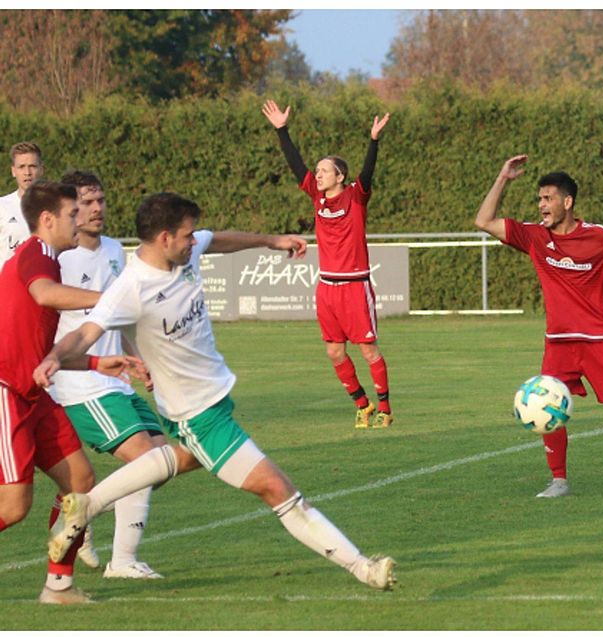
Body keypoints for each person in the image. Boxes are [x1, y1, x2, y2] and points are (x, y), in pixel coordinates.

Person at [36, 192, 397, 592]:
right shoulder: (132, 287)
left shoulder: (185, 253)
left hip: (213, 402)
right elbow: (87, 332)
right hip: (197, 416)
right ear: (164, 238)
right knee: (278, 489)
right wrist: (54, 357)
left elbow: (217, 239)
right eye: (188, 236)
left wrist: (271, 240)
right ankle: (364, 567)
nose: (195, 242)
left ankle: (88, 505)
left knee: (181, 459)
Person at [474, 154, 603, 498]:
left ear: (568, 201)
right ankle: (559, 480)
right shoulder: (534, 237)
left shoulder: (598, 238)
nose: (541, 205)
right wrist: (503, 177)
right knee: (548, 408)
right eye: (539, 199)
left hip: (599, 339)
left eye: (548, 199)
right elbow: (484, 220)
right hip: (559, 342)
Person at [0, 181, 141, 604]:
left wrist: (100, 362)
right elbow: (46, 296)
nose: (79, 220)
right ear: (47, 220)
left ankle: (59, 585)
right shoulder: (37, 253)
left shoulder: (49, 260)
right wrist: (113, 299)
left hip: (32, 392)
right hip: (6, 390)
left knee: (79, 480)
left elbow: (42, 352)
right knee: (13, 508)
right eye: (71, 213)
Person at [49, 170, 169, 579]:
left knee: (162, 462)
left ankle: (84, 510)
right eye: (87, 201)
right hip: (81, 383)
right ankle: (122, 560)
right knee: (147, 460)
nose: (97, 208)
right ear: (70, 208)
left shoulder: (117, 250)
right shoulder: (58, 259)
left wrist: (139, 356)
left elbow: (119, 318)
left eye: (100, 199)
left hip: (115, 378)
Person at [261, 100, 394, 430]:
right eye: (317, 171)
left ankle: (386, 408)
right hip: (327, 287)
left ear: (340, 176)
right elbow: (296, 164)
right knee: (334, 352)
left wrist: (374, 141)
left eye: (323, 171)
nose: (317, 175)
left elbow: (367, 172)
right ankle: (362, 405)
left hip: (354, 285)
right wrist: (282, 130)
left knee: (368, 350)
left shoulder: (355, 196)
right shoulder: (317, 197)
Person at [1, 141, 45, 265]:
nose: (27, 172)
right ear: (13, 171)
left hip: (43, 281)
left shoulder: (54, 206)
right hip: (8, 282)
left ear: (42, 169)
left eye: (32, 166)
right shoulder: (2, 206)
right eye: (22, 167)